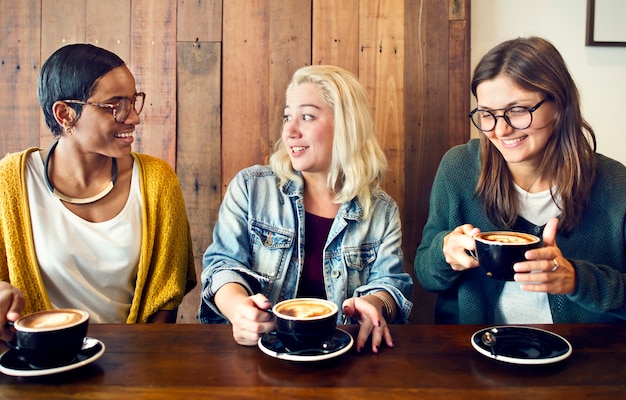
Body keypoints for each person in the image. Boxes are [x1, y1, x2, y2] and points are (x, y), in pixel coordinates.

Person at [199, 65, 413, 353]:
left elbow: (390, 284)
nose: (289, 131)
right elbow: (221, 267)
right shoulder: (252, 188)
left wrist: (375, 305)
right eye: (288, 116)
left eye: (307, 117)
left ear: (347, 126)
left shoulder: (381, 210)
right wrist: (239, 309)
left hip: (343, 358)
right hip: (255, 355)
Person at [414, 36, 626, 324]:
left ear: (559, 104)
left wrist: (578, 280)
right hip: (475, 352)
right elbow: (427, 275)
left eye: (517, 111)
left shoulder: (616, 185)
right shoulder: (459, 167)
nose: (501, 130)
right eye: (487, 114)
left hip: (583, 358)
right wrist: (445, 253)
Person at [0, 43, 196, 341]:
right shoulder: (10, 182)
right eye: (114, 106)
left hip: (135, 363)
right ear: (65, 114)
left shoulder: (158, 181)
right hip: (37, 361)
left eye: (133, 101)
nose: (133, 118)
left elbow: (167, 299)